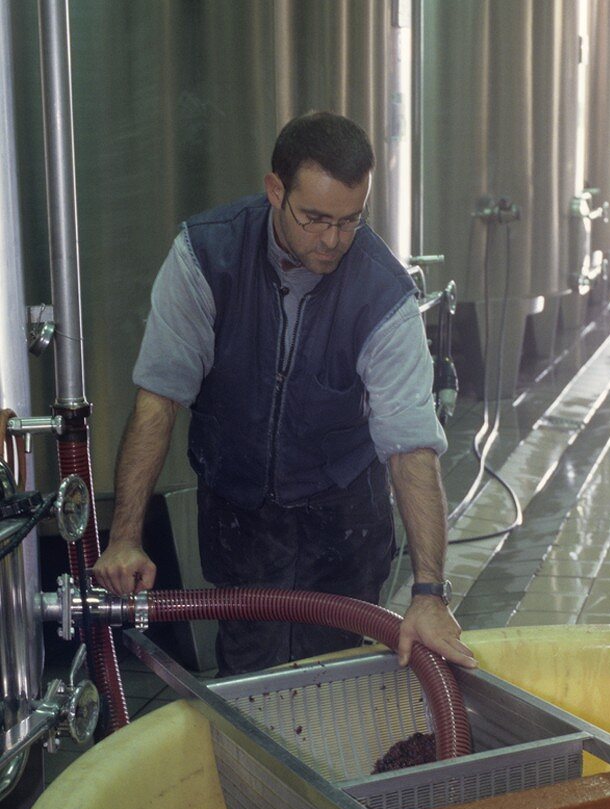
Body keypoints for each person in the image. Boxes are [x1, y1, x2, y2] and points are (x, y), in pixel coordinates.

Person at [93, 111, 476, 675]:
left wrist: (428, 592)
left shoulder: (382, 292)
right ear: (275, 190)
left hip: (344, 522)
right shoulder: (206, 258)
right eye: (315, 217)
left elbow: (410, 445)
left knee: (339, 686)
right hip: (238, 516)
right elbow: (160, 399)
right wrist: (125, 535)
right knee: (249, 687)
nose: (331, 241)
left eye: (349, 221)